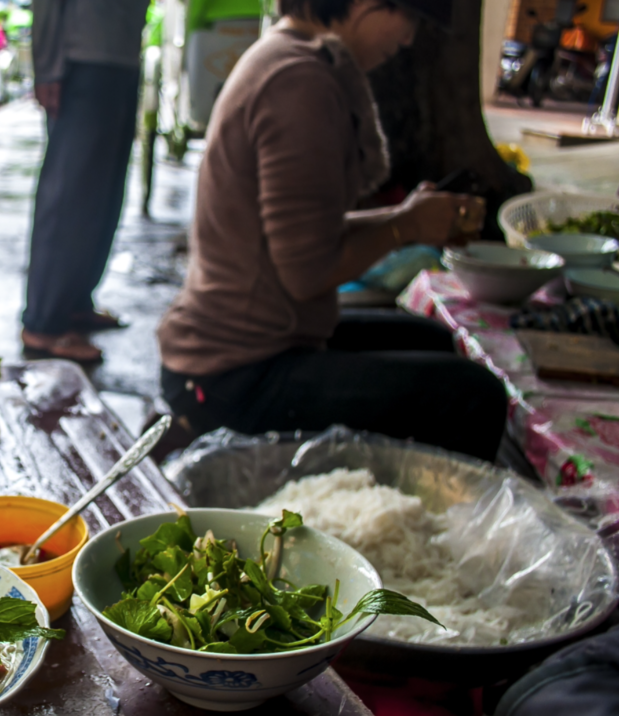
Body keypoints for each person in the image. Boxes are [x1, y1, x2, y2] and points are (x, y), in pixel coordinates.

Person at [157, 0, 509, 462]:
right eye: (409, 18)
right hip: (232, 372)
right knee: (474, 396)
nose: (407, 39)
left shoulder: (290, 57)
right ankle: (421, 520)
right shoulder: (299, 82)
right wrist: (405, 226)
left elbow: (309, 233)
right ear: (365, 5)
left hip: (254, 342)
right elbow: (308, 271)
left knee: (436, 339)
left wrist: (408, 218)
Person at [21, 0, 150, 362]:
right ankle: (44, 323)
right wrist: (46, 68)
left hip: (121, 54)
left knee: (103, 193)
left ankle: (75, 302)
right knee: (70, 195)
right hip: (81, 60)